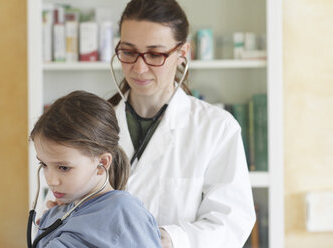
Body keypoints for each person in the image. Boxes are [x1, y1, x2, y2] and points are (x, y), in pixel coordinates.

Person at [108, 0, 256, 247]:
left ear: (182, 54)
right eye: (129, 52)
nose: (139, 67)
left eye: (155, 54)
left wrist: (169, 239)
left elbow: (230, 223)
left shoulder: (216, 128)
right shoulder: (92, 126)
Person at [30, 90, 161, 248]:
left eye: (64, 168)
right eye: (44, 165)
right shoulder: (54, 216)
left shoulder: (125, 214)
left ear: (102, 163)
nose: (51, 180)